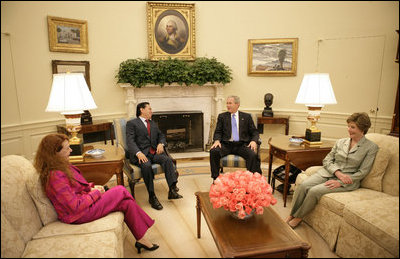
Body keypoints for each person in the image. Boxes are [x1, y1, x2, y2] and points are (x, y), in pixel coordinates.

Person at [34, 134, 159, 254]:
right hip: (78, 215)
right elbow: (74, 206)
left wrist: (91, 187)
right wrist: (96, 194)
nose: (71, 150)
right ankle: (146, 224)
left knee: (125, 202)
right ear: (55, 153)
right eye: (67, 148)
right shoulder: (55, 176)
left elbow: (76, 187)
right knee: (120, 190)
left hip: (83, 205)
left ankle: (141, 240)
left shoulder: (61, 166)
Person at [286, 112, 378, 228]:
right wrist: (337, 173)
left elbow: (363, 171)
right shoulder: (341, 142)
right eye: (348, 126)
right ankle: (291, 215)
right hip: (329, 172)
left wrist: (340, 181)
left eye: (352, 127)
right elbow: (327, 160)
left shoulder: (371, 148)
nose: (349, 129)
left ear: (362, 128)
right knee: (304, 185)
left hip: (347, 181)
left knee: (314, 191)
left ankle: (299, 217)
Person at [126, 102, 182, 210]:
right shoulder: (132, 123)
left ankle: (172, 190)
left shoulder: (152, 123)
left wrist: (161, 143)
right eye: (149, 109)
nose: (151, 111)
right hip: (141, 155)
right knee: (146, 166)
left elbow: (161, 135)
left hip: (153, 153)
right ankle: (152, 196)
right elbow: (130, 142)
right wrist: (138, 153)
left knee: (167, 160)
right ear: (141, 110)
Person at [209, 95, 262, 180]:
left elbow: (254, 132)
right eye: (227, 103)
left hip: (242, 145)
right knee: (214, 151)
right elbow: (218, 131)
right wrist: (217, 140)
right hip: (226, 145)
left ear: (237, 104)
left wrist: (253, 141)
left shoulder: (246, 117)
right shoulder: (222, 116)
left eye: (230, 103)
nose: (227, 105)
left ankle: (252, 179)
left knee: (252, 154)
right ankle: (216, 179)